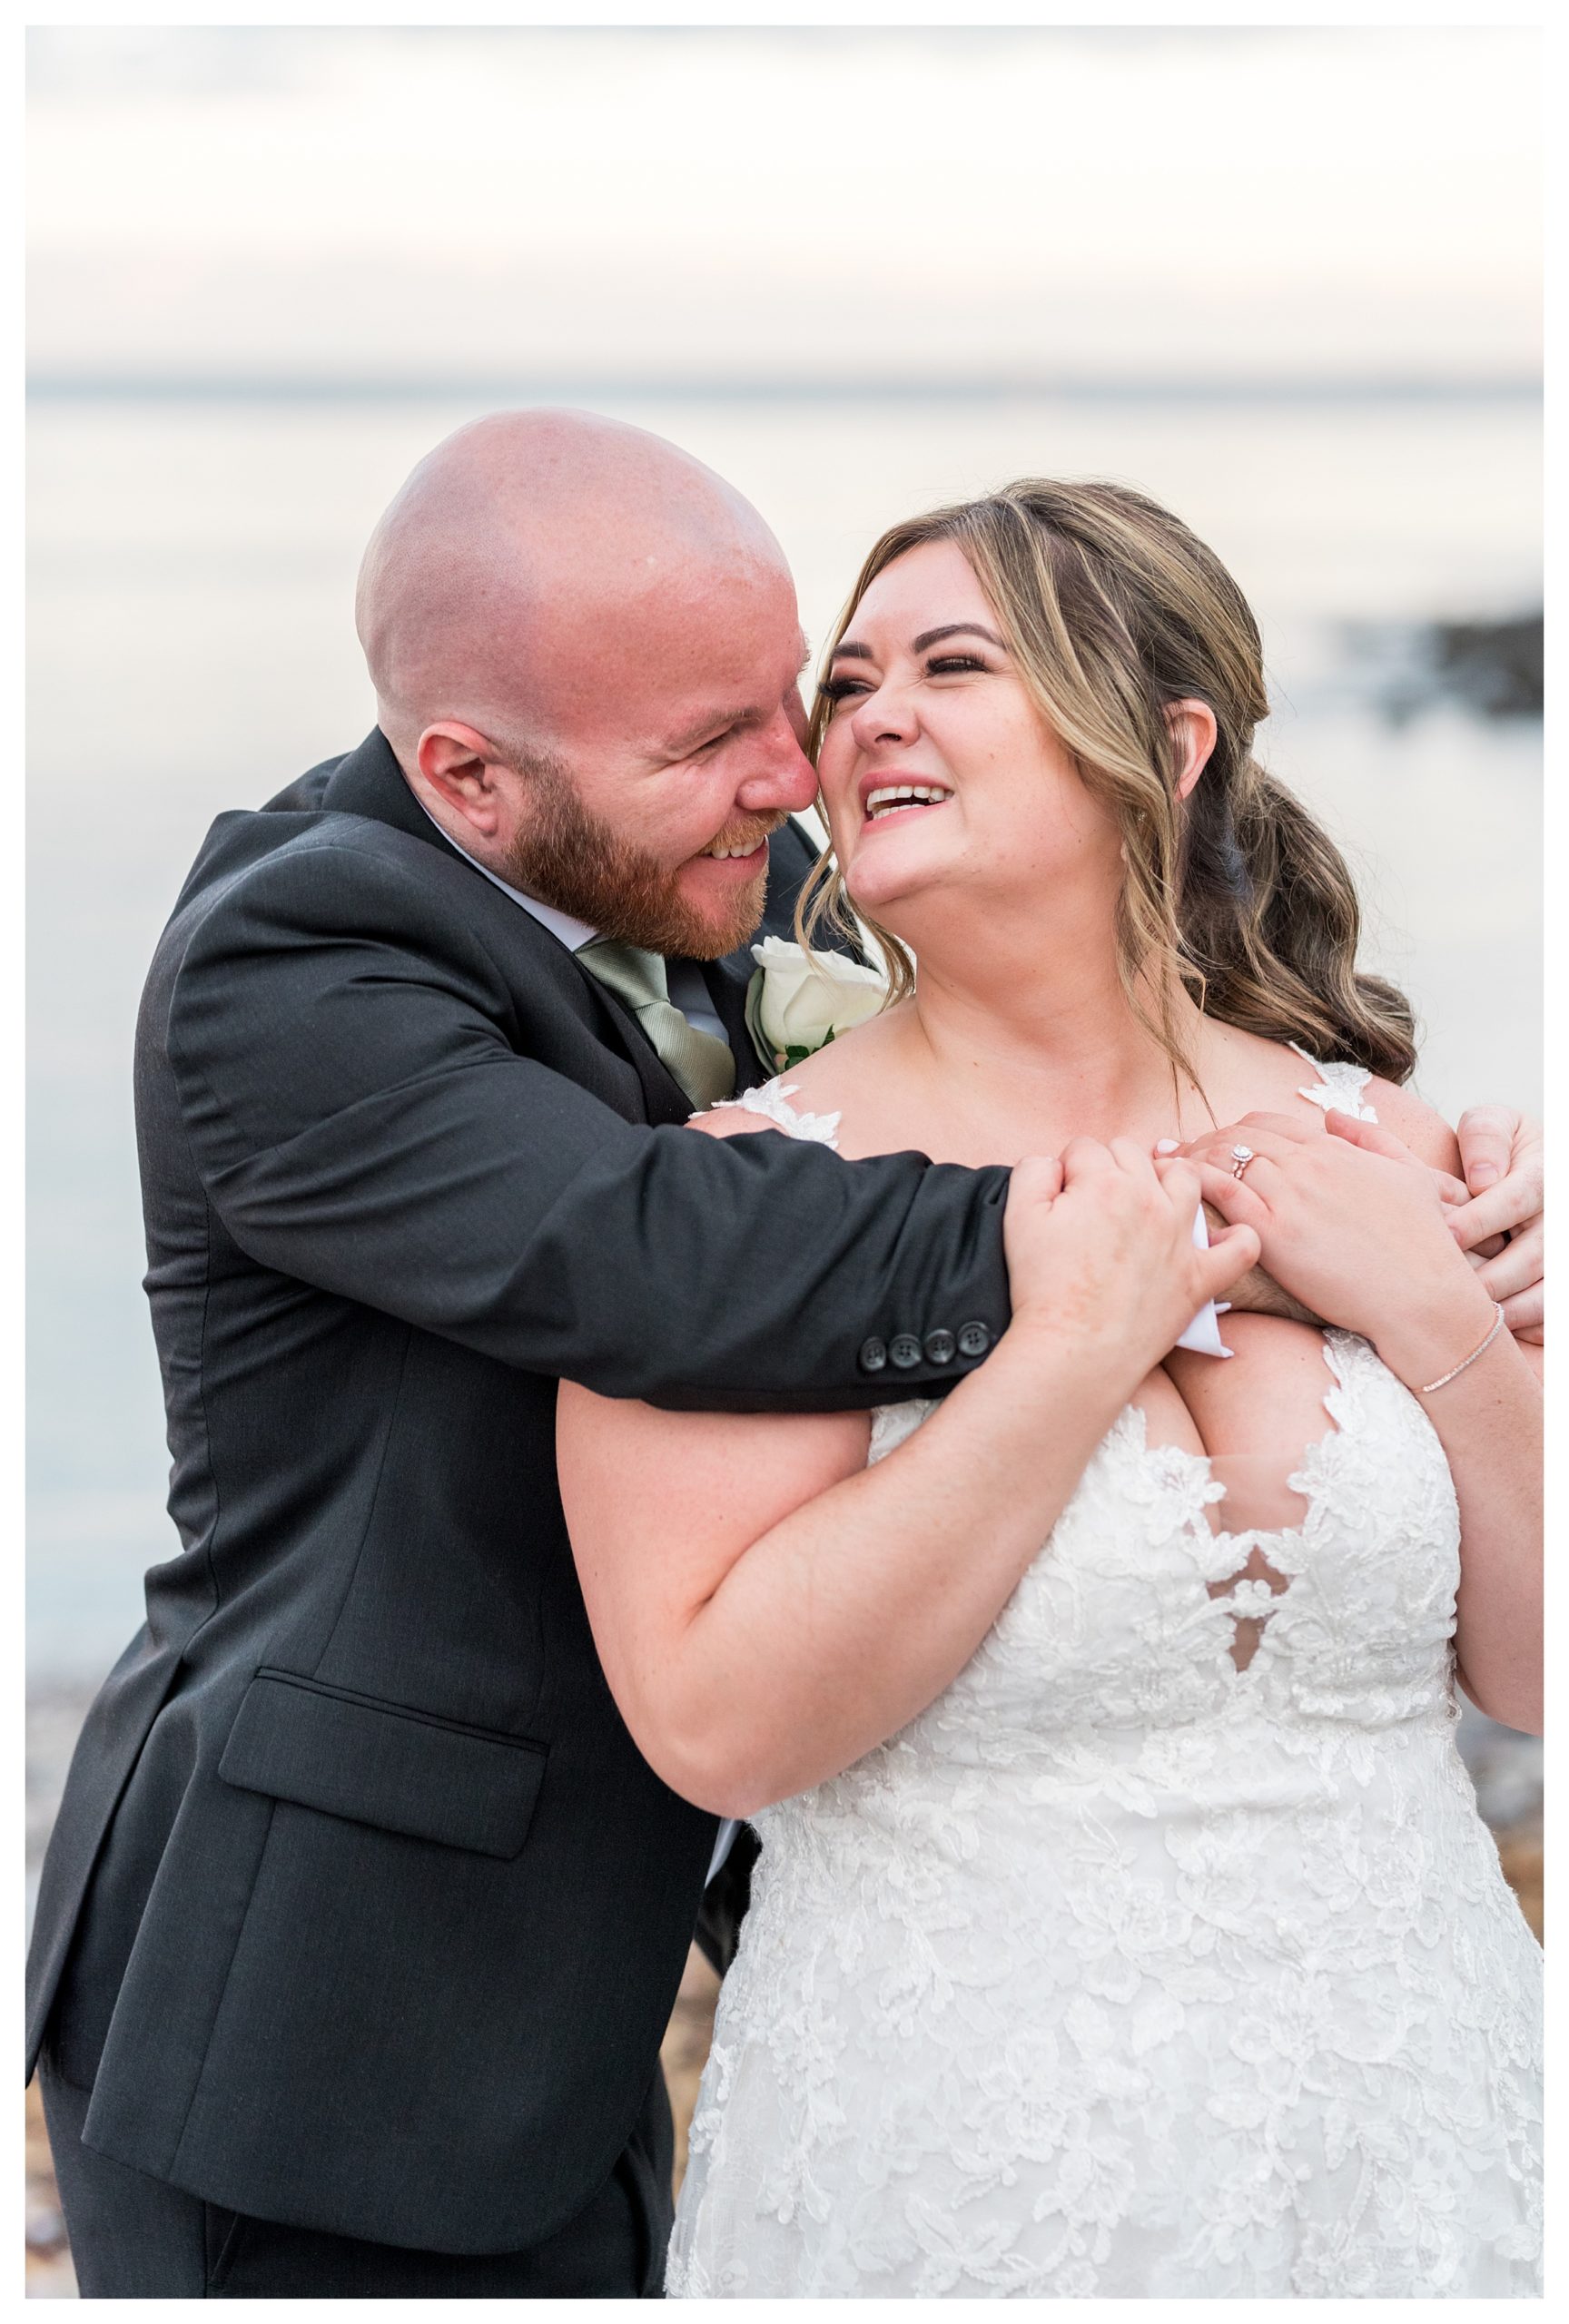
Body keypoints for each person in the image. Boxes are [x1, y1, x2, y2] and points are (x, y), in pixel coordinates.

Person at [558, 479, 1544, 2299]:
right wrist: (1074, 1350)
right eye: (846, 685)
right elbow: (716, 1721)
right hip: (956, 2165)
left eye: (951, 663)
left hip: (1418, 2141)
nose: (870, 720)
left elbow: (1533, 1667)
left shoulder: (1393, 1150)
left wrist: (1448, 1322)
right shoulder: (734, 1201)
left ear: (1168, 745)